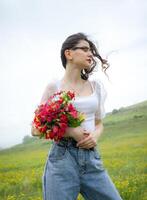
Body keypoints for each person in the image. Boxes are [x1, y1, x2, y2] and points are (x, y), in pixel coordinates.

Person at [31, 32, 123, 200]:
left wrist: (95, 135)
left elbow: (98, 123)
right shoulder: (55, 87)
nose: (91, 54)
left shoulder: (96, 87)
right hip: (62, 159)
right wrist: (70, 131)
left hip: (91, 157)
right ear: (69, 53)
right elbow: (35, 129)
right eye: (85, 49)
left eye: (92, 51)